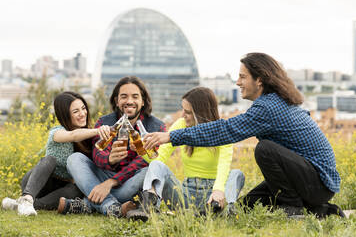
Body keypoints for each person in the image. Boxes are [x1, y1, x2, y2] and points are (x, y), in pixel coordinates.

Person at [143, 53, 345, 218]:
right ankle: (322, 210)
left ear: (259, 80)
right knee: (246, 207)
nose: (238, 82)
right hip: (307, 178)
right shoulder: (275, 101)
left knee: (265, 149)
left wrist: (172, 136)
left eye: (242, 76)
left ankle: (293, 208)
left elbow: (225, 130)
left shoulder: (268, 107)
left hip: (318, 181)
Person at [126, 87, 245, 221]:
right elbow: (160, 158)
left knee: (236, 174)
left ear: (201, 114)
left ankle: (225, 210)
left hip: (212, 197)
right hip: (186, 195)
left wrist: (218, 190)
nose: (182, 115)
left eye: (187, 112)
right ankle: (149, 206)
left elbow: (224, 163)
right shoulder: (181, 125)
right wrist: (140, 149)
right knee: (157, 165)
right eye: (183, 109)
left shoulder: (222, 130)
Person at [58, 76, 166, 217]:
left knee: (150, 168)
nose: (129, 101)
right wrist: (110, 159)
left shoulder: (157, 126)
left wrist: (110, 183)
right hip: (102, 177)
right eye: (124, 97)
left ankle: (87, 205)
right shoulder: (104, 122)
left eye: (135, 96)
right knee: (74, 159)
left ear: (143, 101)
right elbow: (97, 155)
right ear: (117, 101)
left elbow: (144, 162)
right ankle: (112, 206)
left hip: (130, 182)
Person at [2, 91, 110, 216]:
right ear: (65, 115)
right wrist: (98, 131)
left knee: (76, 190)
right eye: (76, 111)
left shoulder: (88, 139)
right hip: (39, 184)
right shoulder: (57, 132)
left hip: (60, 189)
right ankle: (27, 198)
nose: (82, 114)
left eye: (83, 108)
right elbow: (73, 135)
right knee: (50, 160)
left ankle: (23, 205)